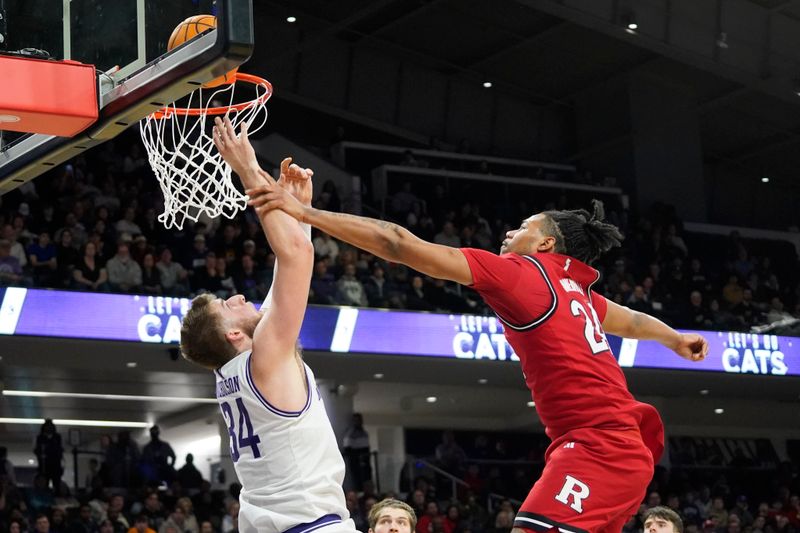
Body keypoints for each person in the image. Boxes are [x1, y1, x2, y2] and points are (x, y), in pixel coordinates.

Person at [247, 182, 710, 533]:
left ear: (545, 244)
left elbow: (396, 243)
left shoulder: (522, 274)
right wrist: (672, 338)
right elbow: (628, 321)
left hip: (599, 449)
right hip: (615, 448)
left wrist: (304, 211)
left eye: (525, 226)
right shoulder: (576, 290)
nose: (512, 231)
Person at [179, 117, 356, 533]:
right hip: (311, 525)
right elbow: (295, 259)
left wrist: (301, 216)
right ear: (233, 334)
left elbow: (288, 275)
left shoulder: (232, 373)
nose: (239, 296)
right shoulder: (265, 360)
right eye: (229, 305)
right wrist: (248, 170)